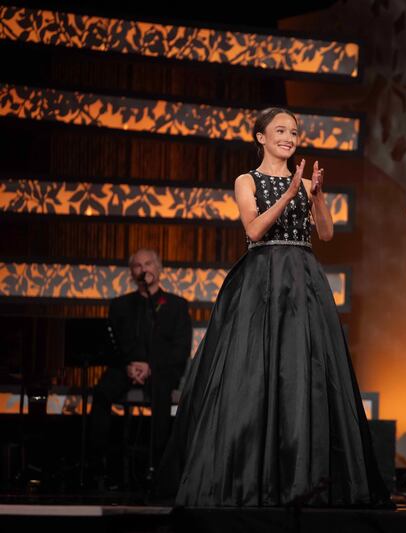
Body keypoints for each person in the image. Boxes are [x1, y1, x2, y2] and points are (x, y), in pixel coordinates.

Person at [156, 107, 391, 508]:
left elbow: (327, 233)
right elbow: (253, 229)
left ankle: (305, 477)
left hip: (301, 281)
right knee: (256, 372)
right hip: (262, 280)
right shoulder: (246, 180)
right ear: (260, 137)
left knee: (303, 371)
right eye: (280, 130)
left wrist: (315, 196)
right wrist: (287, 193)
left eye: (294, 131)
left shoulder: (304, 184)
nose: (289, 136)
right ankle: (249, 476)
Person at [90, 248, 192, 485]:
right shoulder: (120, 305)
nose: (143, 269)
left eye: (148, 264)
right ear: (131, 272)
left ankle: (158, 466)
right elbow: (113, 344)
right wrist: (128, 366)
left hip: (161, 370)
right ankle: (99, 465)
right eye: (137, 265)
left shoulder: (176, 306)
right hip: (125, 368)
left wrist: (151, 368)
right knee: (102, 392)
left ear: (158, 269)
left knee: (160, 392)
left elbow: (181, 349)